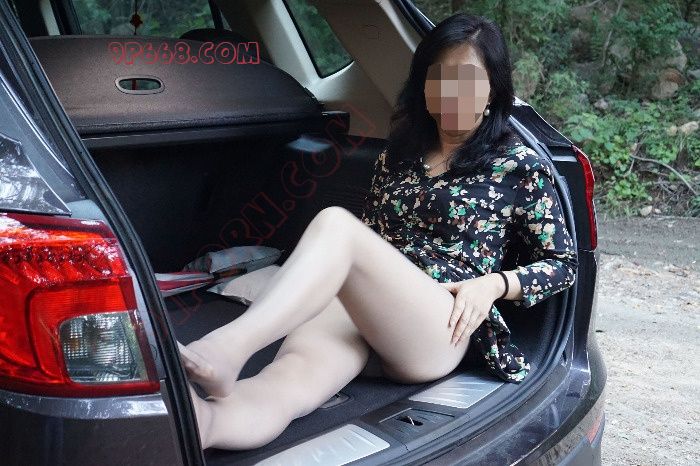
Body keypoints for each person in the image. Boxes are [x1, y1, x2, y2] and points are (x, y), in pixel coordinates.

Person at [177, 12, 578, 451]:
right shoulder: (400, 154)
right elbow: (372, 241)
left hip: (438, 322)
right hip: (372, 309)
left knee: (336, 224)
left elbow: (563, 264)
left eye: (466, 80)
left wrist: (494, 285)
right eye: (439, 78)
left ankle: (228, 348)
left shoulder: (518, 165)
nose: (451, 93)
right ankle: (206, 424)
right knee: (288, 379)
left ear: (493, 90)